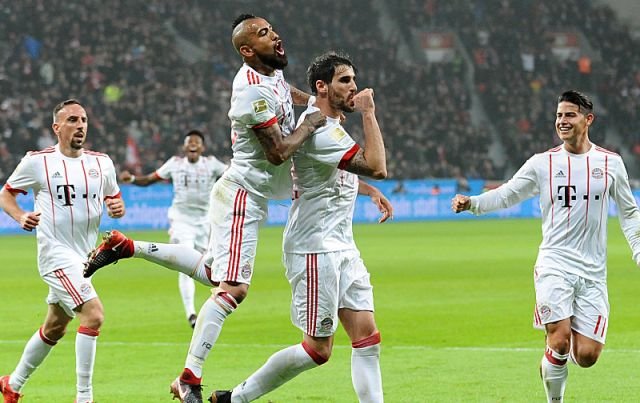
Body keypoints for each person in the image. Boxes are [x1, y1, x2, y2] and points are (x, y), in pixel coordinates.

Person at [82, 14, 325, 403]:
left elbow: (285, 91)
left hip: (245, 194)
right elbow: (278, 152)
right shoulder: (249, 92)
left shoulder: (271, 73)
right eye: (264, 33)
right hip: (243, 196)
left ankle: (127, 247)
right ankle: (189, 378)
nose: (275, 35)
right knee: (232, 289)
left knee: (213, 273)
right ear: (247, 50)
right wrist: (311, 122)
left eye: (272, 28)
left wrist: (313, 101)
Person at [209, 51, 389, 403]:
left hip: (342, 247)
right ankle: (235, 399)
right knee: (318, 350)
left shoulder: (329, 125)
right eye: (345, 80)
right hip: (315, 250)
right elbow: (377, 166)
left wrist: (368, 191)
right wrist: (369, 112)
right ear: (322, 86)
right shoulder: (321, 131)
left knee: (367, 338)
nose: (354, 87)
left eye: (354, 80)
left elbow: (335, 175)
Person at [451, 90, 640, 402]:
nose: (562, 121)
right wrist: (472, 203)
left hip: (593, 272)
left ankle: (552, 355)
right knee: (560, 339)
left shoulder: (611, 163)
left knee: (587, 355)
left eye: (570, 115)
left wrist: (638, 249)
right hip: (554, 264)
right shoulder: (542, 163)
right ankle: (555, 393)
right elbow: (507, 194)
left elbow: (629, 212)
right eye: (559, 115)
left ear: (588, 119)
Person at [0, 99, 125, 403]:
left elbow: (114, 197)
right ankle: (84, 397)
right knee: (93, 315)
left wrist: (116, 207)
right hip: (55, 256)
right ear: (56, 128)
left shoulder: (101, 163)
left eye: (83, 120)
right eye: (72, 120)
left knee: (55, 326)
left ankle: (12, 384)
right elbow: (6, 194)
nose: (80, 125)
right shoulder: (38, 162)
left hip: (84, 258)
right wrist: (20, 216)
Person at [120, 130, 227, 328]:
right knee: (186, 263)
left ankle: (213, 307)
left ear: (202, 147)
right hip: (181, 220)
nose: (193, 144)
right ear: (184, 147)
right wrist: (133, 179)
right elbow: (150, 179)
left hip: (205, 222)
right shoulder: (175, 164)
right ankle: (191, 314)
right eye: (189, 142)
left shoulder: (212, 164)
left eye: (196, 142)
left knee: (207, 267)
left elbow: (232, 175)